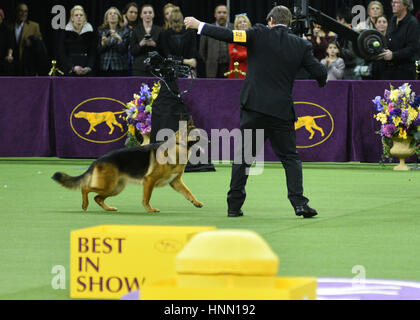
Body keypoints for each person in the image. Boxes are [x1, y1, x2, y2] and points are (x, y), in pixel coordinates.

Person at [185, 5, 327, 218]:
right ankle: (299, 203)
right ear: (288, 23)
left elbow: (228, 35)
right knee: (290, 158)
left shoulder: (257, 34)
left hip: (254, 108)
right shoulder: (300, 45)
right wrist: (320, 78)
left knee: (244, 158)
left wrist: (199, 25)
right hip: (281, 111)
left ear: (270, 20)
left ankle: (233, 207)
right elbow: (320, 73)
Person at [376, 0, 419, 80]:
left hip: (404, 71)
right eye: (392, 2)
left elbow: (412, 48)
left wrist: (393, 55)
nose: (393, 4)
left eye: (396, 2)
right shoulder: (392, 20)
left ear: (405, 5)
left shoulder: (412, 23)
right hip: (388, 69)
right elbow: (388, 40)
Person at [57, 5, 96, 76]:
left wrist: (89, 67)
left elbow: (93, 52)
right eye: (76, 15)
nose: (79, 17)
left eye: (81, 15)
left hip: (86, 70)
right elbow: (61, 53)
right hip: (69, 69)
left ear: (84, 18)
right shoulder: (65, 32)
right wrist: (73, 67)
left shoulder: (90, 33)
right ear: (72, 18)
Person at [160, 8, 197, 77]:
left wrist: (191, 70)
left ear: (183, 22)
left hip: (188, 69)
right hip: (171, 69)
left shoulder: (190, 32)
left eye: (179, 26)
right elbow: (167, 56)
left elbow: (192, 54)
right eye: (175, 26)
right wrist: (184, 61)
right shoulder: (165, 34)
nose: (177, 28)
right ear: (170, 23)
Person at [199, 4, 233, 78]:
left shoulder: (234, 28)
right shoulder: (207, 29)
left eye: (224, 12)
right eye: (219, 12)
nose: (222, 15)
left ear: (228, 15)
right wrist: (210, 60)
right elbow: (202, 51)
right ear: (215, 14)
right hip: (212, 68)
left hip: (231, 67)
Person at [131, 4, 163, 77]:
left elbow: (164, 51)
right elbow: (132, 51)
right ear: (141, 15)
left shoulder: (160, 30)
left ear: (153, 14)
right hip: (139, 67)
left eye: (150, 12)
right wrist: (141, 44)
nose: (147, 15)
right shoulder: (135, 30)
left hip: (156, 67)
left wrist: (154, 44)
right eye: (145, 13)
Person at [97, 7, 130, 77]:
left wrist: (119, 40)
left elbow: (123, 50)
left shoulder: (125, 31)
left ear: (119, 18)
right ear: (106, 18)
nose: (112, 15)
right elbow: (98, 51)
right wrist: (103, 44)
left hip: (120, 67)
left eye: (115, 14)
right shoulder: (101, 30)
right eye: (110, 14)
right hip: (104, 67)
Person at [12, 3, 43, 75]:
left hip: (28, 66)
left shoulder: (34, 26)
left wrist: (32, 42)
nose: (23, 14)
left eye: (25, 11)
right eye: (21, 11)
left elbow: (40, 45)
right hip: (13, 65)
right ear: (16, 12)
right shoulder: (10, 25)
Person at [227, 14, 251, 79]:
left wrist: (239, 53)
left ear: (248, 24)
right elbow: (233, 54)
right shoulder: (233, 37)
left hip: (250, 70)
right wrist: (248, 54)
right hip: (236, 70)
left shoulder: (253, 37)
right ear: (236, 26)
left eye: (244, 21)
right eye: (240, 22)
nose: (243, 24)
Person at [0, 8, 15, 76]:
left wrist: (9, 55)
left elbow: (10, 45)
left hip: (3, 59)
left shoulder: (7, 30)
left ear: (2, 17)